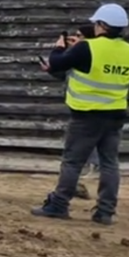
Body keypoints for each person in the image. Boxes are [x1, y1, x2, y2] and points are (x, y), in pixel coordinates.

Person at [34, 3, 129, 225]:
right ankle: (105, 211)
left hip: (87, 115)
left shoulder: (88, 47)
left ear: (103, 26)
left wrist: (58, 47)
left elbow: (57, 63)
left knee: (72, 162)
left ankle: (59, 205)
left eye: (97, 23)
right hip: (115, 115)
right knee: (110, 163)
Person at [50, 24, 100, 175]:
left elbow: (59, 61)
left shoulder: (88, 54)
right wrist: (51, 69)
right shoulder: (80, 54)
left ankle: (92, 167)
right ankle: (88, 167)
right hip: (80, 104)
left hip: (90, 105)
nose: (74, 38)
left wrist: (59, 50)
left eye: (79, 36)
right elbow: (66, 74)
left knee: (84, 141)